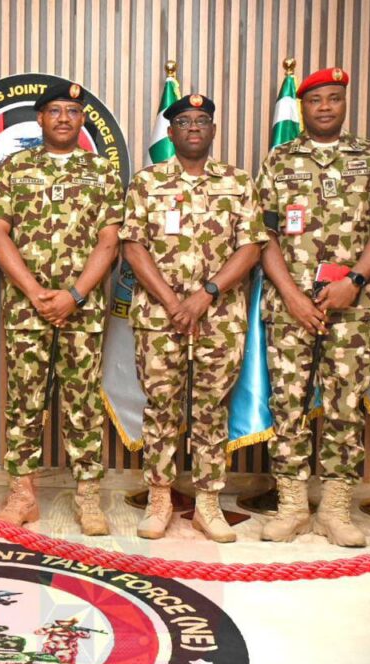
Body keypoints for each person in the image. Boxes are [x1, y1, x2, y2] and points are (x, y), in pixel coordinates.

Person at [257, 67, 370, 547]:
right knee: (288, 404)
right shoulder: (280, 158)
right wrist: (293, 295)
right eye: (316, 100)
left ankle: (336, 509)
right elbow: (264, 234)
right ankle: (293, 506)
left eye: (334, 98)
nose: (325, 107)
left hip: (352, 307)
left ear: (344, 103)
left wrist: (354, 282)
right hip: (290, 306)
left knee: (346, 404)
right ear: (303, 107)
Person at [0, 79, 123, 535]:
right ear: (40, 118)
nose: (64, 118)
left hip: (83, 310)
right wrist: (34, 292)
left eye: (72, 111)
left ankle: (88, 496)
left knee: (83, 404)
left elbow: (109, 240)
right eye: (55, 111)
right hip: (27, 309)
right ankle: (22, 495)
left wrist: (74, 295)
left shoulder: (101, 171)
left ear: (82, 120)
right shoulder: (14, 167)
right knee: (23, 402)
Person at [121, 94, 264, 542]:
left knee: (211, 409)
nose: (194, 127)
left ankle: (207, 503)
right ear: (171, 133)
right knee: (160, 407)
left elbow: (251, 247)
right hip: (158, 317)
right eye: (184, 121)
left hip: (219, 317)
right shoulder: (147, 182)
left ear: (214, 130)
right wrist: (172, 302)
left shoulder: (238, 183)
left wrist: (205, 295)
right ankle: (159, 499)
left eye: (202, 120)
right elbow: (132, 246)